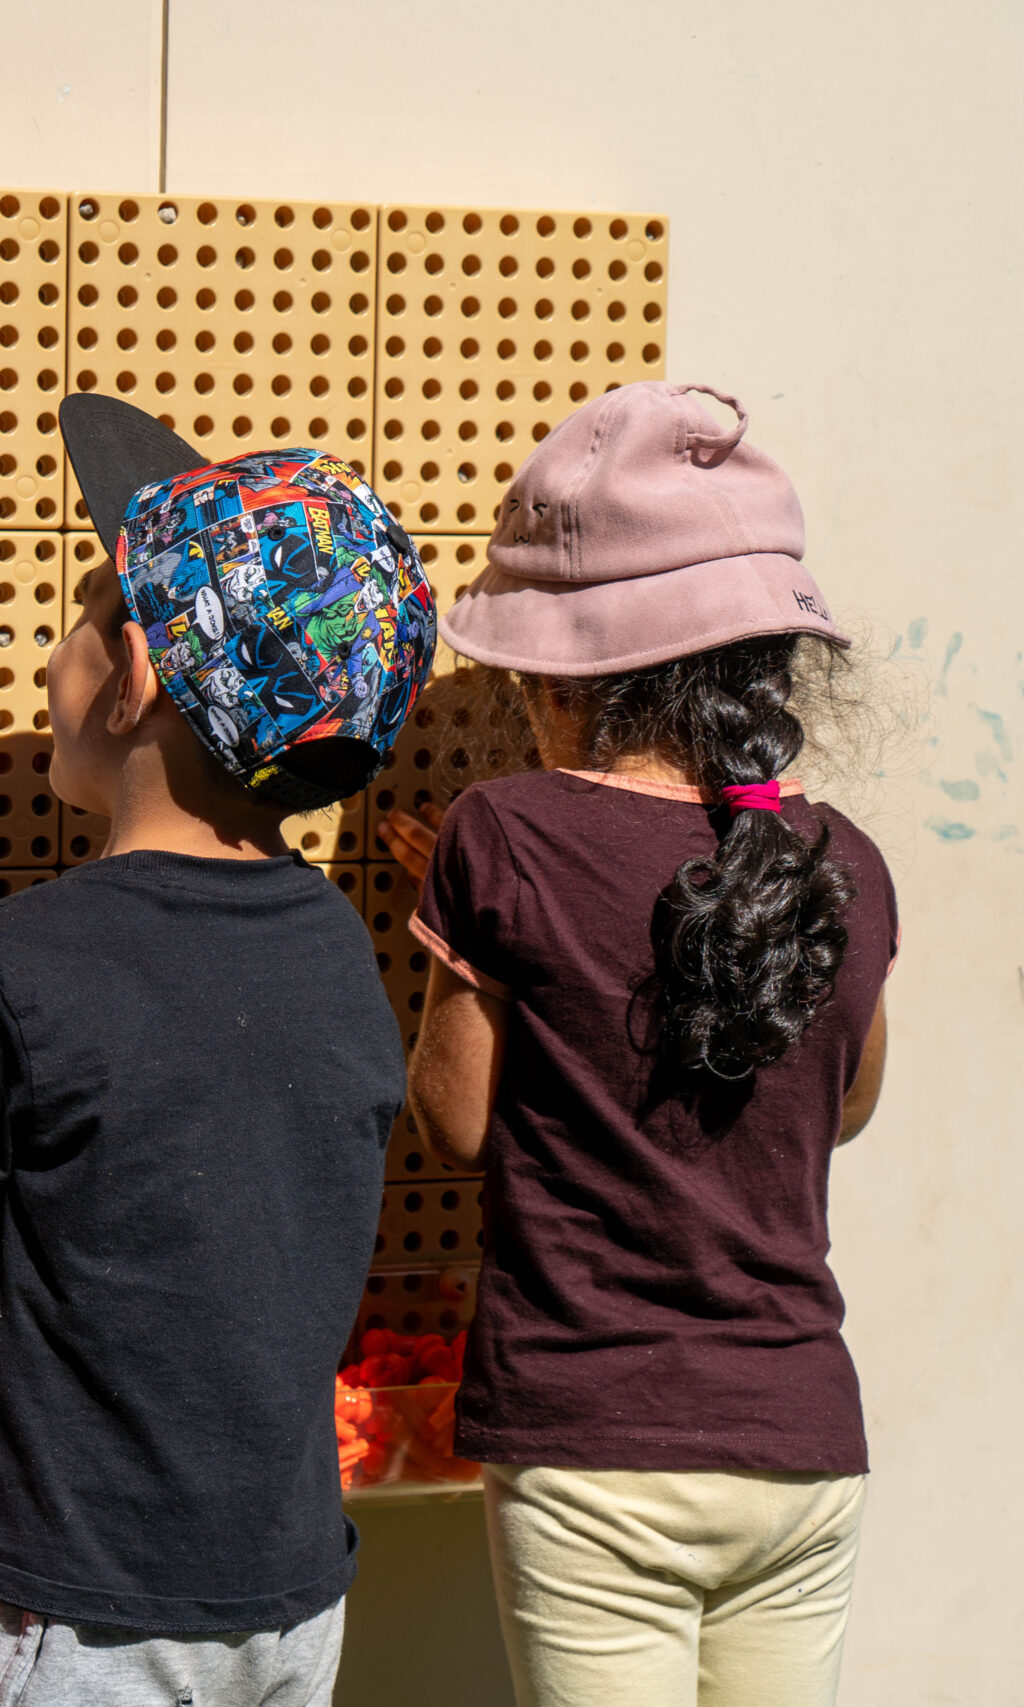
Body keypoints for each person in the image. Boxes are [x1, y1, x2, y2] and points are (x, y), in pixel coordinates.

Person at [0, 393, 438, 1707]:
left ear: (138, 679)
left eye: (89, 616)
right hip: (289, 1598)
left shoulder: (14, 960)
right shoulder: (341, 951)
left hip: (81, 1611)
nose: (58, 653)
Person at [374, 381, 893, 1707]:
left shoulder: (501, 833)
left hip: (595, 1443)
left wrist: (469, 932)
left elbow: (458, 1122)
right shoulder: (845, 861)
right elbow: (843, 1102)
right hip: (803, 1439)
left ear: (570, 673)